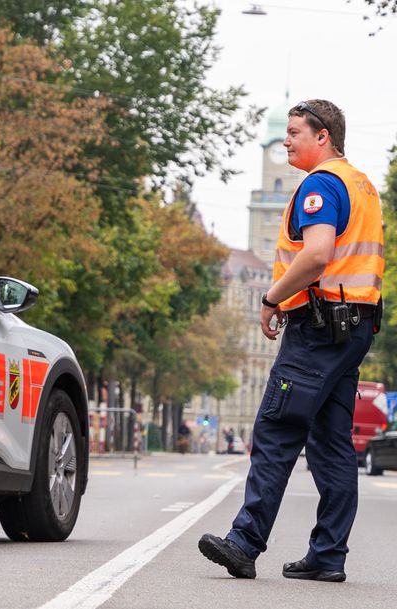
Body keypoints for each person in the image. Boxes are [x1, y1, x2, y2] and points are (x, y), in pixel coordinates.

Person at [199, 100, 383, 583]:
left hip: (318, 331)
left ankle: (244, 542)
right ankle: (328, 555)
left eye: (295, 132)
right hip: (353, 328)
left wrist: (273, 297)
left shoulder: (320, 185)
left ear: (323, 137)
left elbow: (317, 254)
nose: (286, 141)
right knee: (332, 444)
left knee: (277, 430)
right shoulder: (362, 185)